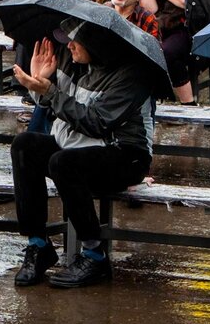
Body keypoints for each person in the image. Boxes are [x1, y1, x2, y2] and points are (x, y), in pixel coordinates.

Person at [9, 19, 156, 288]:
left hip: (125, 155)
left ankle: (94, 255)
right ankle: (38, 245)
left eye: (76, 40)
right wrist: (39, 83)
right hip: (80, 144)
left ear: (96, 44)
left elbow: (97, 122)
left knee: (63, 162)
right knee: (24, 145)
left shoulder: (132, 75)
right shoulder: (75, 61)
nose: (70, 46)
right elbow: (55, 105)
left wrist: (49, 91)